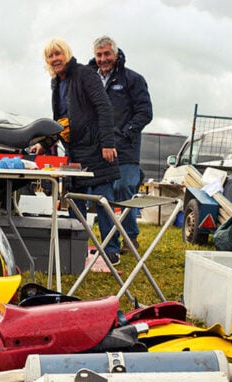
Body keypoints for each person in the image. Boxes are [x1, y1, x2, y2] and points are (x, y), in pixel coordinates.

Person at [36, 38, 121, 263]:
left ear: (67, 54)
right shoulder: (56, 83)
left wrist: (107, 143)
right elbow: (60, 121)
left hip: (96, 148)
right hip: (74, 150)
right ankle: (78, 249)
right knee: (74, 202)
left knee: (103, 200)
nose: (55, 59)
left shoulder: (85, 74)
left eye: (58, 54)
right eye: (50, 56)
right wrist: (44, 143)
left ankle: (111, 250)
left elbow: (104, 107)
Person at [90, 36, 152, 252]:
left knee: (124, 187)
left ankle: (130, 236)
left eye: (107, 54)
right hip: (97, 150)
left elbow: (145, 112)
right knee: (104, 194)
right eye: (99, 55)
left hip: (125, 149)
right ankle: (110, 241)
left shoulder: (132, 79)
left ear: (115, 55)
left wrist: (126, 133)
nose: (103, 59)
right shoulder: (91, 80)